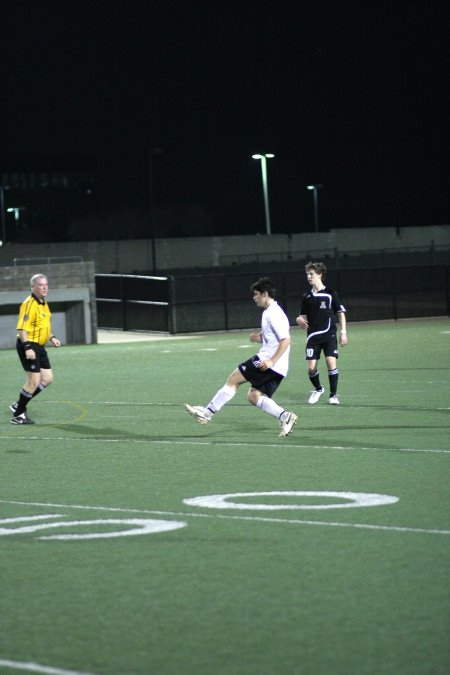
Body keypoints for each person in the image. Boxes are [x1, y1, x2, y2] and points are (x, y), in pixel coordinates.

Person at [185, 277, 298, 437]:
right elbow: (275, 338)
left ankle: (207, 413)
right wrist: (260, 338)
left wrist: (271, 360)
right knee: (253, 396)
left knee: (233, 379)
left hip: (267, 361)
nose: (254, 298)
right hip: (278, 366)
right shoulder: (270, 312)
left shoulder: (274, 314)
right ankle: (285, 417)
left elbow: (286, 340)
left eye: (256, 294)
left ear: (265, 294)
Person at [10, 273, 61, 424]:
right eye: (40, 285)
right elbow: (21, 328)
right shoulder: (29, 304)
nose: (44, 287)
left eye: (46, 284)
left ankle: (18, 404)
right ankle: (18, 415)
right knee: (33, 381)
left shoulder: (43, 302)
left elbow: (42, 325)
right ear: (33, 287)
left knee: (47, 379)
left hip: (40, 345)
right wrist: (27, 348)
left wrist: (52, 337)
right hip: (29, 345)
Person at [296, 261, 347, 405]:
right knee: (311, 369)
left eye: (311, 274)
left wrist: (343, 332)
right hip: (313, 336)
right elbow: (302, 318)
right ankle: (318, 389)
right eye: (307, 274)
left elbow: (341, 313)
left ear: (320, 275)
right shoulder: (306, 296)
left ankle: (333, 395)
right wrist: (299, 320)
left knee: (331, 362)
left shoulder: (331, 294)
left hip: (329, 334)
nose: (309, 276)